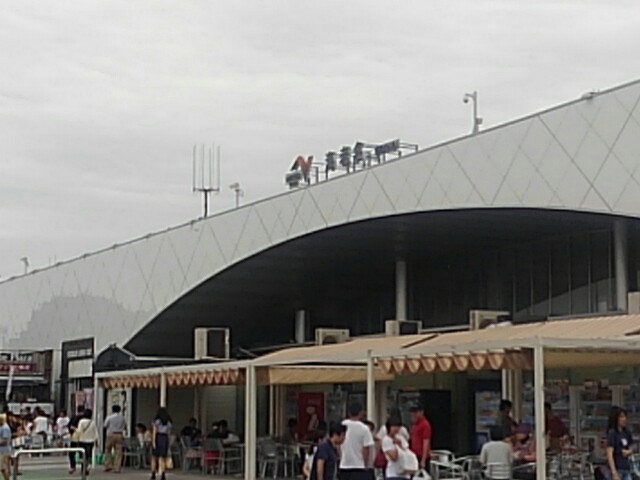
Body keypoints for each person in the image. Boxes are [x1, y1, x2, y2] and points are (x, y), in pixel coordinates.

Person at [340, 403, 374, 480]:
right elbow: (366, 449)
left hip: (344, 465)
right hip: (359, 465)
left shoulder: (343, 424)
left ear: (349, 413)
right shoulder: (364, 428)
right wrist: (365, 464)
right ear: (360, 413)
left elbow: (338, 444)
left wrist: (341, 457)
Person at [606, 406, 634, 480]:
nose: (624, 419)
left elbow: (631, 447)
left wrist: (629, 451)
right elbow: (609, 453)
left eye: (625, 417)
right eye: (621, 417)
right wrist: (614, 472)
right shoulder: (612, 433)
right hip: (617, 468)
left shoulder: (627, 433)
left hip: (626, 467)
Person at [103, 404, 127, 473]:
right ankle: (117, 468)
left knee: (108, 450)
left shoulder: (109, 417)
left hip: (110, 434)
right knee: (118, 452)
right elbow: (125, 426)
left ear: (112, 410)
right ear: (119, 410)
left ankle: (108, 465)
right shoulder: (122, 418)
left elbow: (105, 425)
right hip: (119, 434)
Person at [151, 407, 173, 480]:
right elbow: (169, 434)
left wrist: (154, 442)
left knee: (154, 457)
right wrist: (168, 443)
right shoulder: (168, 423)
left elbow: (154, 431)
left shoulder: (157, 421)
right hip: (164, 438)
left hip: (158, 437)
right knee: (162, 458)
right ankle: (163, 474)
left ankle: (153, 474)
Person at [409, 405, 432, 472]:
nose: (414, 414)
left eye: (416, 412)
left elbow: (426, 442)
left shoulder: (425, 424)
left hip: (421, 455)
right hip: (414, 454)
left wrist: (423, 459)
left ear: (421, 412)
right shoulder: (414, 425)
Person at [76, 409, 99, 476]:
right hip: (90, 441)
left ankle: (83, 468)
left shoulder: (81, 421)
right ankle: (87, 466)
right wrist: (96, 440)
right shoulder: (92, 422)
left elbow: (79, 431)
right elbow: (95, 432)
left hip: (82, 440)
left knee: (83, 455)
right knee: (89, 455)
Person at [68, 406, 85, 474]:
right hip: (84, 437)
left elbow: (70, 426)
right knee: (83, 453)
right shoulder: (86, 418)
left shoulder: (74, 417)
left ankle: (73, 466)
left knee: (72, 452)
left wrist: (72, 432)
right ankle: (84, 468)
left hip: (75, 437)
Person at [0, 414, 12, 480]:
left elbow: (5, 441)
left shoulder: (5, 428)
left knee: (4, 468)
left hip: (4, 451)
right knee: (3, 468)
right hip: (1, 451)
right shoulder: (1, 427)